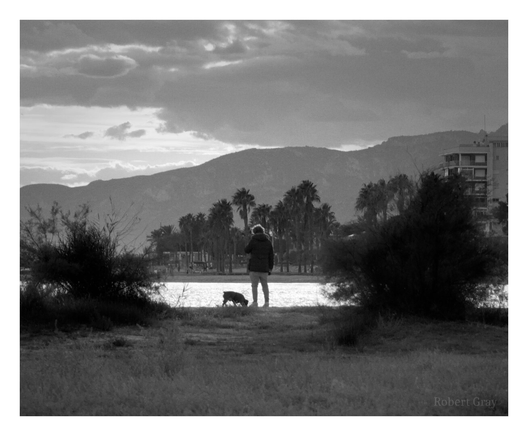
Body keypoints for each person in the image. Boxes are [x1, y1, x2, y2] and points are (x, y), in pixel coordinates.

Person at [244, 224, 274, 307]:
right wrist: (270, 267)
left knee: (254, 286)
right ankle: (267, 302)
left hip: (254, 267)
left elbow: (246, 250)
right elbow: (271, 256)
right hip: (264, 267)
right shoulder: (268, 242)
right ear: (263, 231)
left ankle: (255, 302)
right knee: (265, 285)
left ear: (254, 232)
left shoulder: (253, 241)